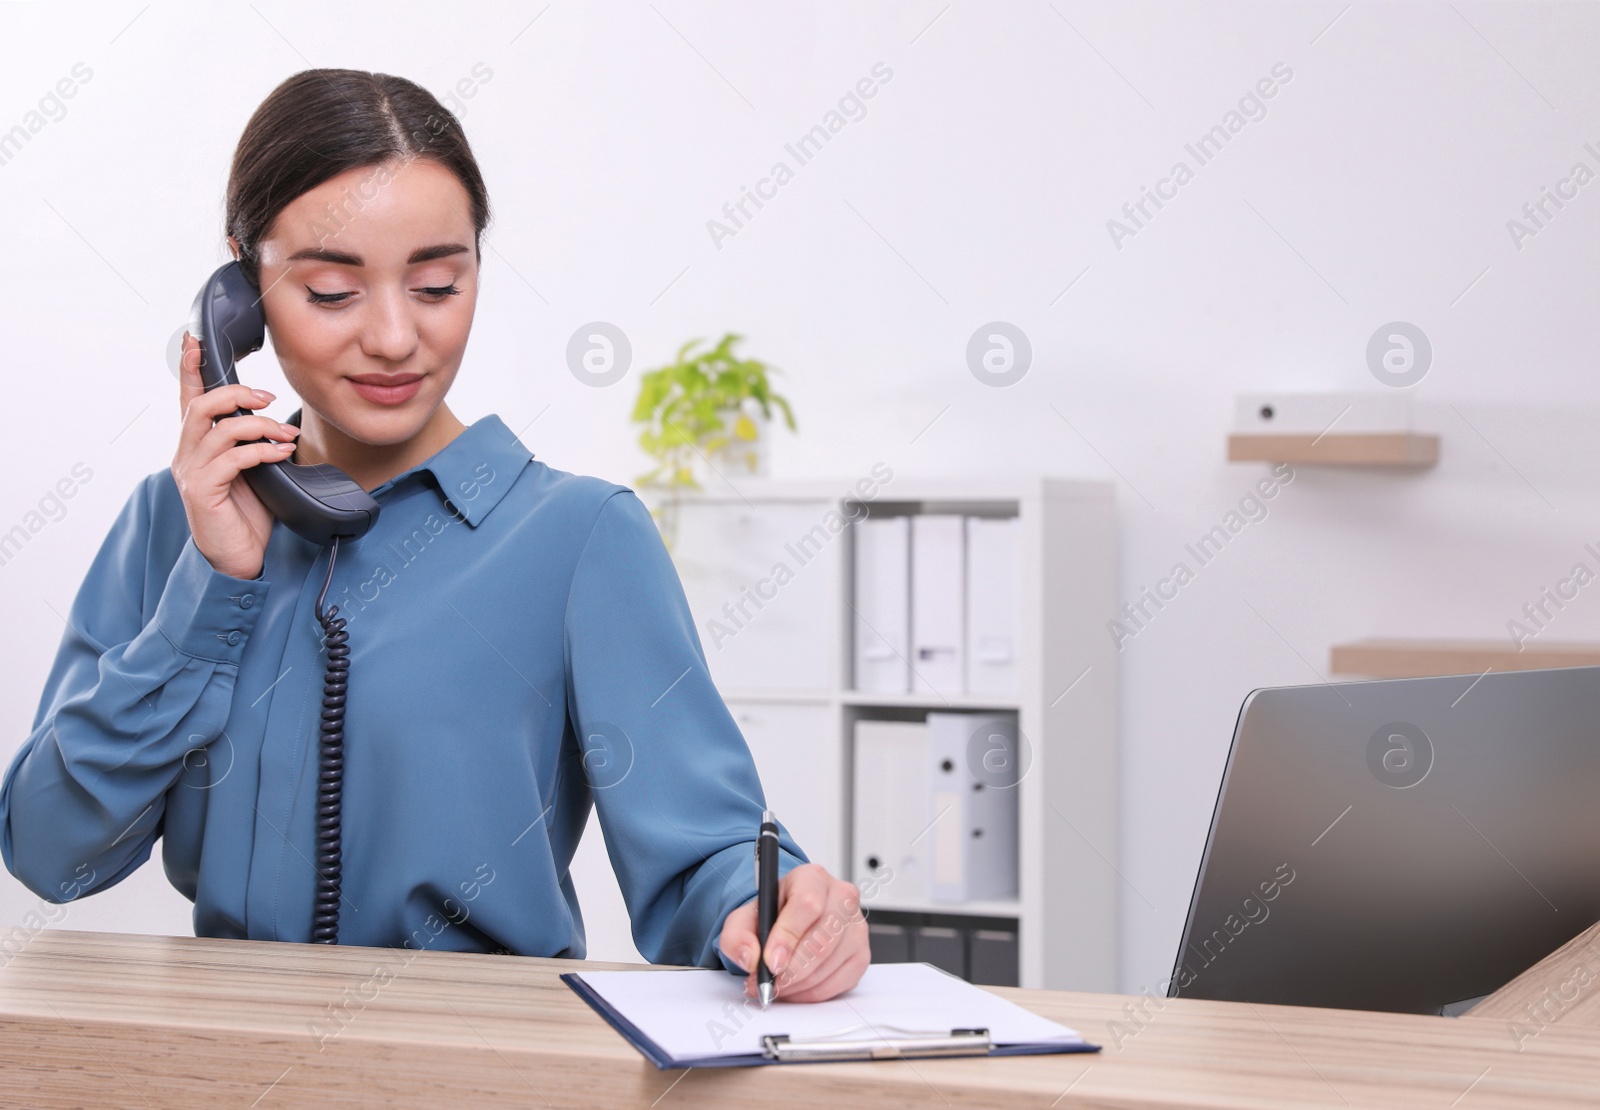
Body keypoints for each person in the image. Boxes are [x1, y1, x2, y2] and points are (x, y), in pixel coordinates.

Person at [0, 68, 868, 1005]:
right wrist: (212, 588)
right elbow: (52, 856)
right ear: (241, 291)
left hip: (479, 1070)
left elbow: (710, 853)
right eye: (332, 291)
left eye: (437, 284)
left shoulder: (581, 538)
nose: (393, 337)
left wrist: (776, 910)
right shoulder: (172, 524)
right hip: (222, 1065)